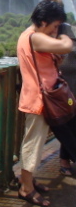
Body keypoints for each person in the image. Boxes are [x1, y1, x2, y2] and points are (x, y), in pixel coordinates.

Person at [16, 0, 72, 207]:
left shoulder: (31, 35)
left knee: (35, 144)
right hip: (39, 100)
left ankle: (29, 180)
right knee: (33, 145)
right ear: (42, 22)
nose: (55, 30)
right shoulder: (34, 37)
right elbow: (65, 47)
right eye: (54, 26)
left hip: (41, 98)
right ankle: (26, 189)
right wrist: (66, 34)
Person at [56, 22, 76, 176]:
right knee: (69, 127)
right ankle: (64, 161)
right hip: (66, 94)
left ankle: (65, 161)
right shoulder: (64, 47)